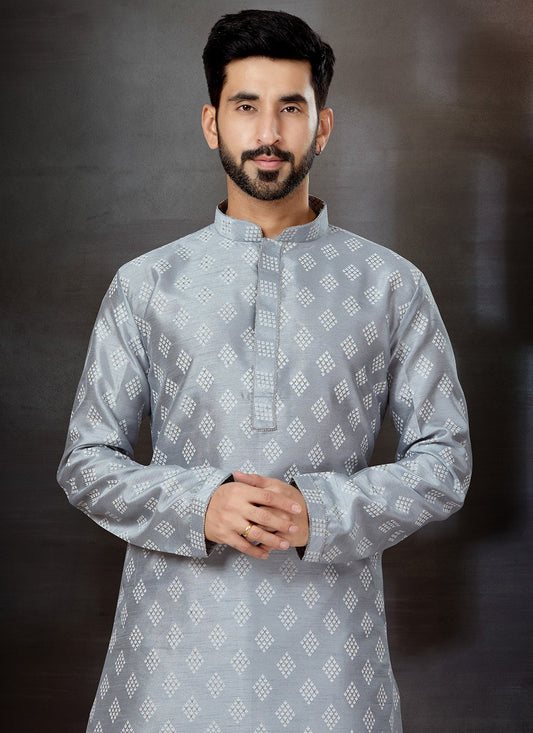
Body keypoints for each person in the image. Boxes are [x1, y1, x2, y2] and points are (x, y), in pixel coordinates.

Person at [57, 9, 471, 732]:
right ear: (212, 123)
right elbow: (85, 462)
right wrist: (198, 504)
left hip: (334, 670)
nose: (269, 133)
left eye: (291, 108)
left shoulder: (391, 285)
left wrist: (324, 510)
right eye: (246, 107)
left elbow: (446, 462)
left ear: (323, 126)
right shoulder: (147, 285)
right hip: (170, 661)